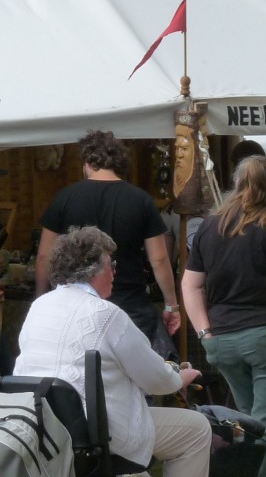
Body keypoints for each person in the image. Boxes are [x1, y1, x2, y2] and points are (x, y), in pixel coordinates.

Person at [17, 226, 212, 477]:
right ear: (96, 271)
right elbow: (156, 380)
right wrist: (181, 376)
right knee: (196, 430)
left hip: (44, 430)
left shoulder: (39, 308)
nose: (115, 272)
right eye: (112, 264)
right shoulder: (106, 316)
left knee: (122, 413)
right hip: (95, 434)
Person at [182, 155, 266, 477]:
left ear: (236, 183)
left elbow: (191, 285)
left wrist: (204, 333)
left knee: (252, 422)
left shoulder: (209, 227)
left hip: (221, 339)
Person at [35, 130, 180, 361]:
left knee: (85, 373)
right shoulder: (141, 200)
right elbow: (159, 259)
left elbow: (44, 256)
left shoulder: (64, 198)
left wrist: (41, 298)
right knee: (136, 376)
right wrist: (171, 305)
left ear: (88, 162)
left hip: (77, 308)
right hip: (131, 306)